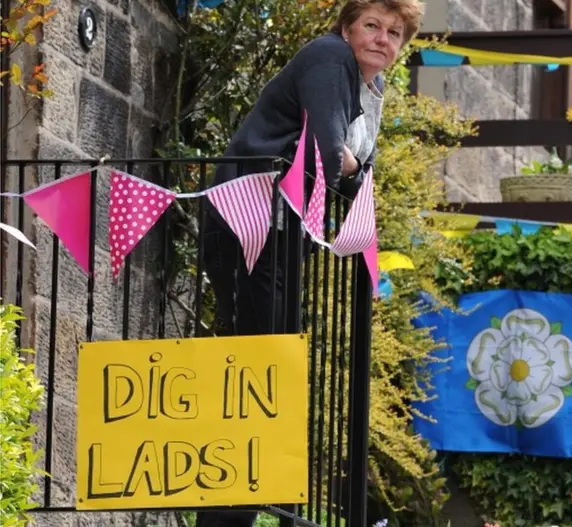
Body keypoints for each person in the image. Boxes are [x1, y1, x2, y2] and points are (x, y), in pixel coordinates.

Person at [199, 1, 424, 526]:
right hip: (253, 222)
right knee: (260, 369)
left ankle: (248, 504)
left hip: (283, 228)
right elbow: (333, 157)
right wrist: (345, 163)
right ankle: (231, 511)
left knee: (269, 365)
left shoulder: (371, 88)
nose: (382, 39)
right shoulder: (330, 58)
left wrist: (349, 164)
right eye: (372, 25)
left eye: (394, 33)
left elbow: (358, 166)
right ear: (347, 28)